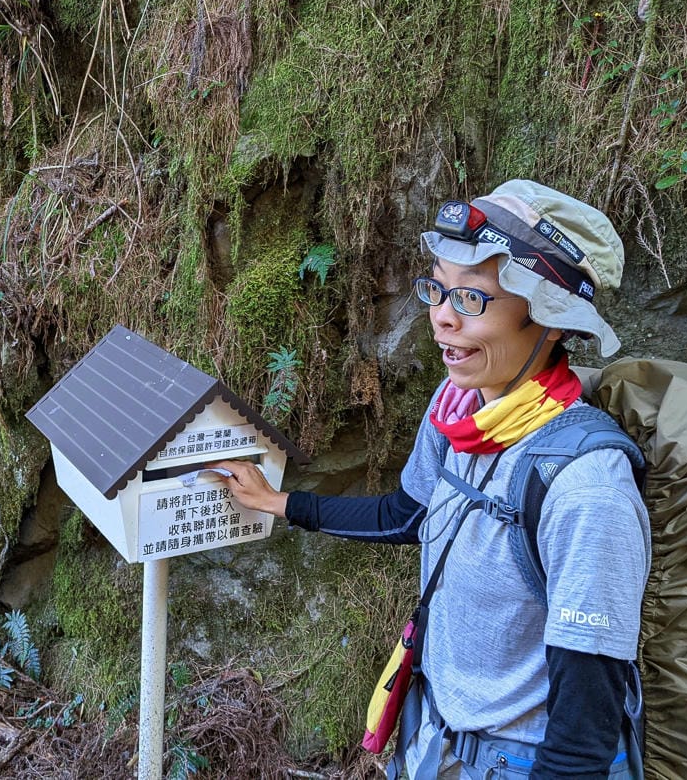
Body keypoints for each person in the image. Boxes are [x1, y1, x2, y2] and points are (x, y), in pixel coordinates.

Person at [212, 180, 649, 779]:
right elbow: (409, 516)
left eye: (473, 299)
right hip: (434, 739)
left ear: (550, 322)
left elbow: (583, 733)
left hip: (515, 762)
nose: (441, 317)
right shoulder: (457, 412)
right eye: (439, 288)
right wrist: (278, 502)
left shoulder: (587, 486)